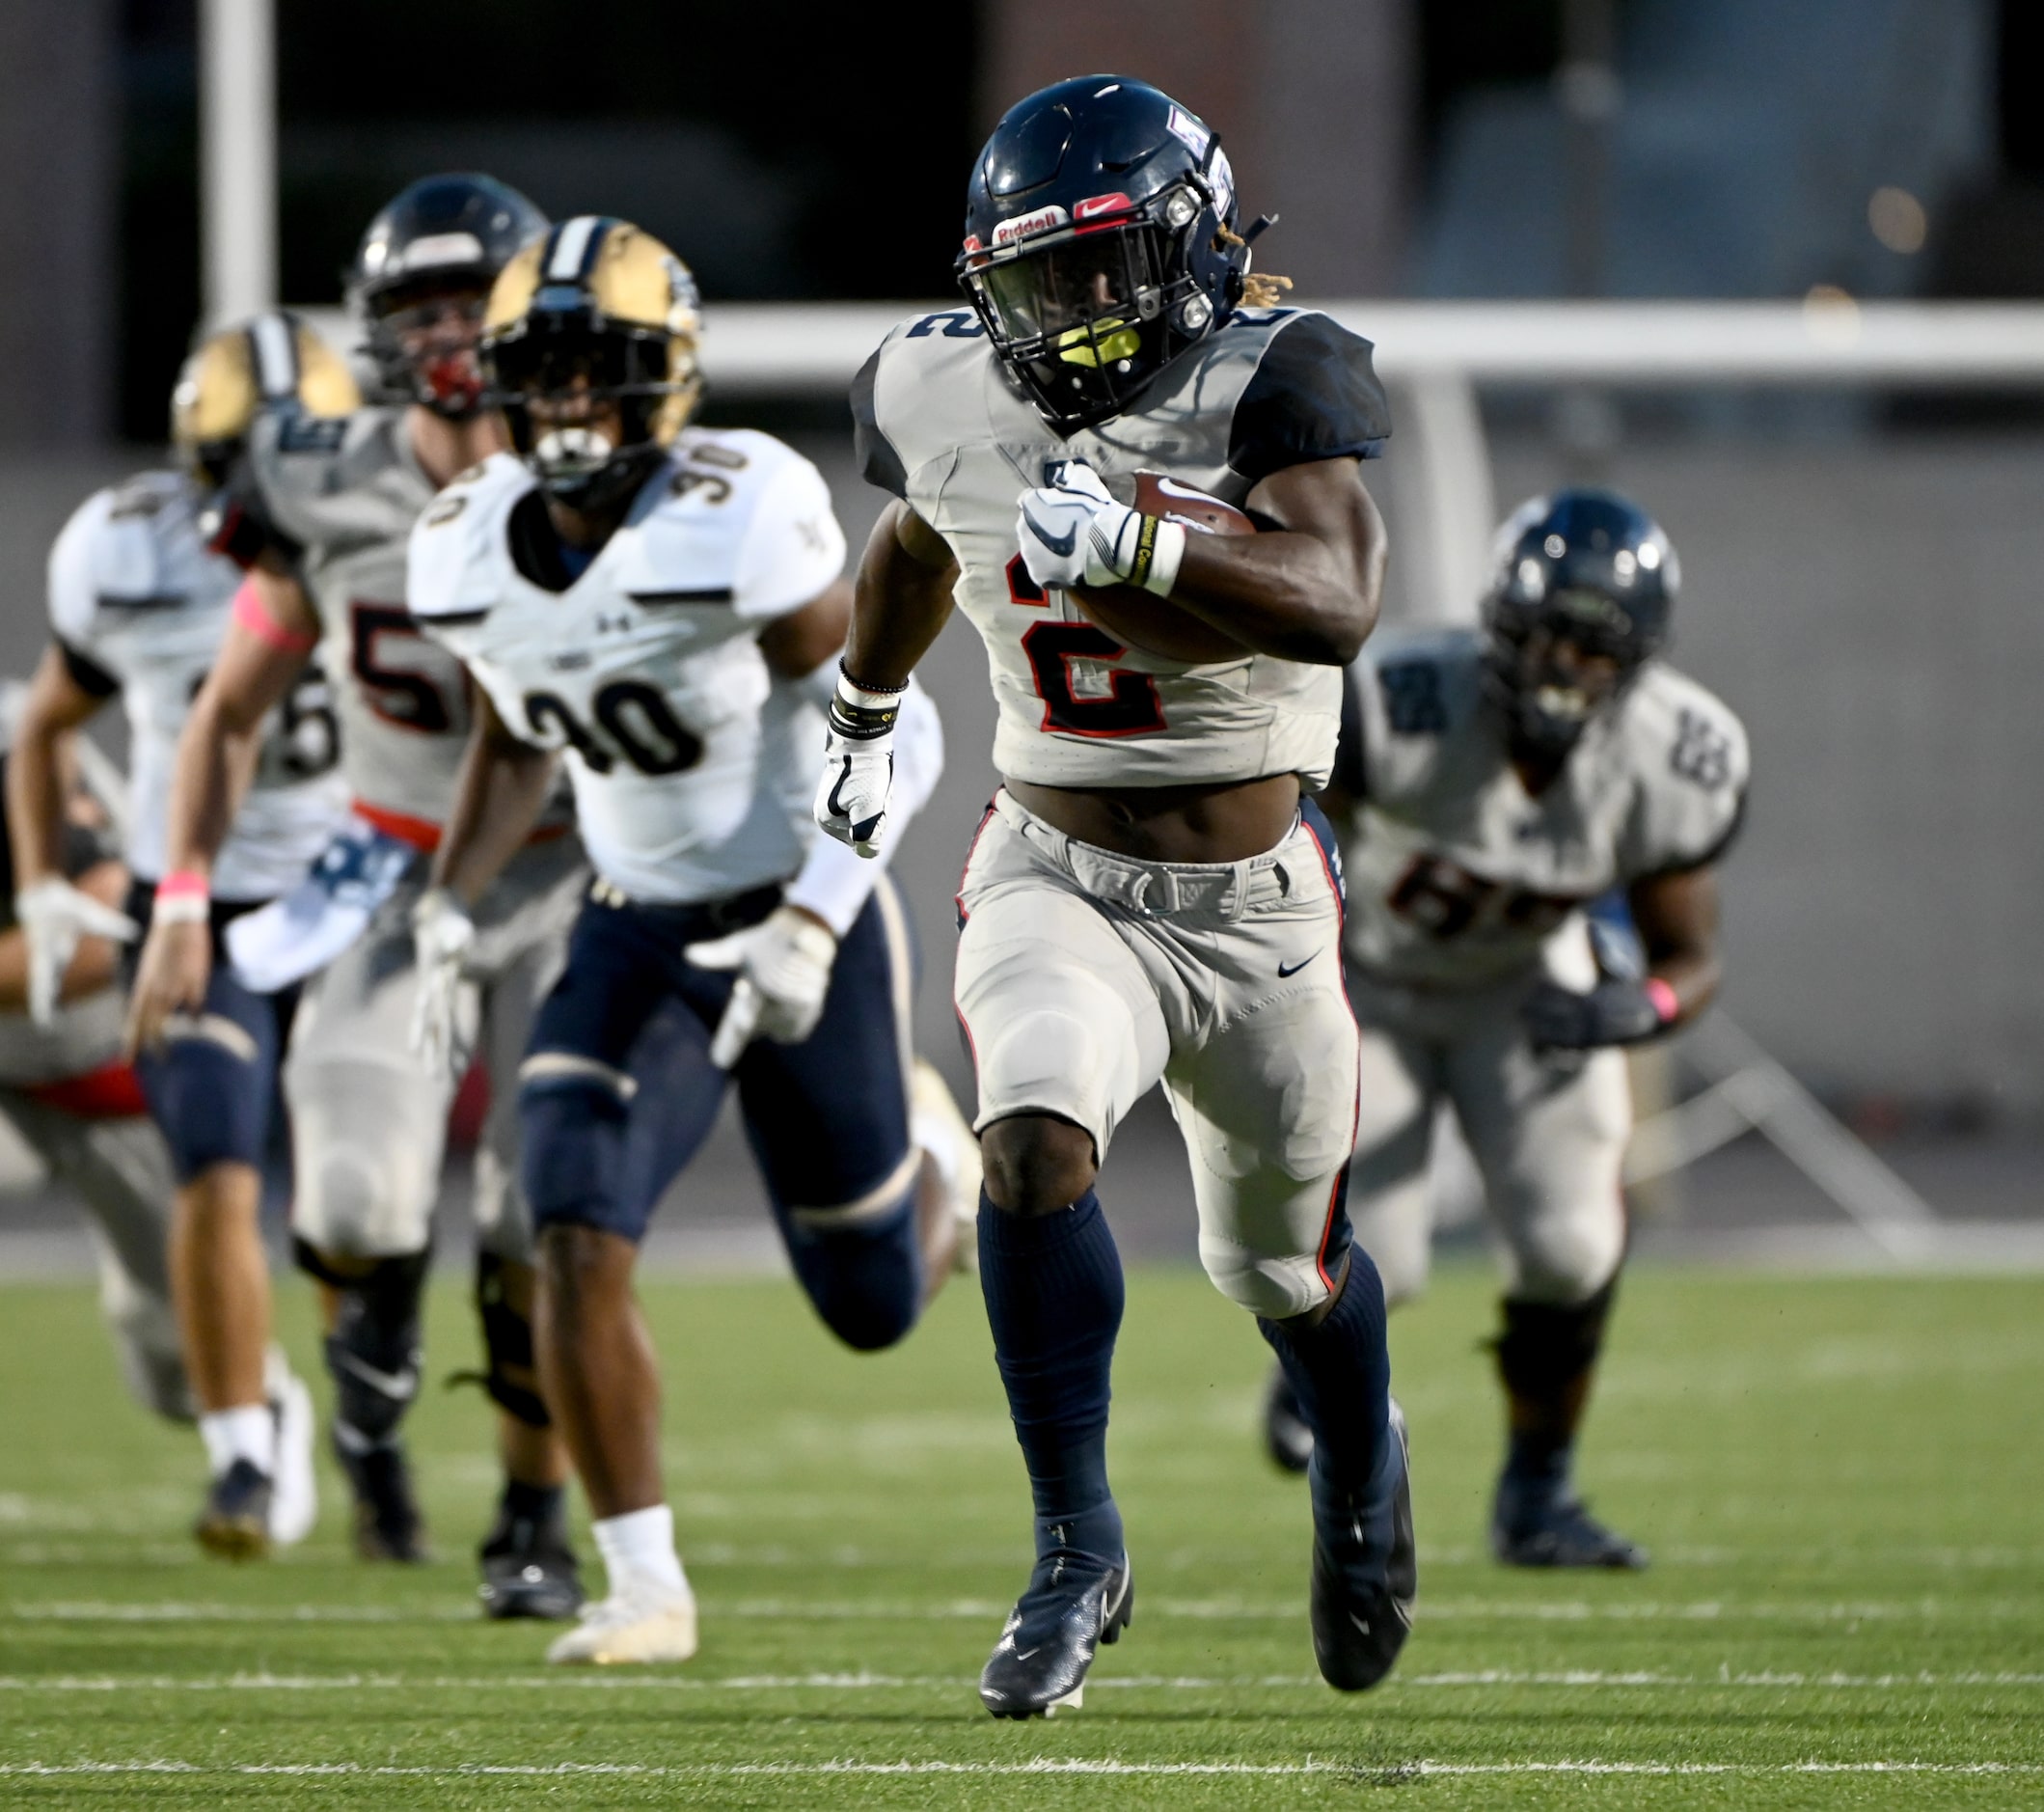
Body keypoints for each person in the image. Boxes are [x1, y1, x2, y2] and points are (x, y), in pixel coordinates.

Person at [819, 75, 1413, 1716]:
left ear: (1186, 249)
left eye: (1099, 271)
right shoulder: (940, 386)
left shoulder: (1271, 377)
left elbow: (1338, 593)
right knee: (1027, 1137)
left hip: (1250, 907)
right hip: (1054, 865)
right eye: (1032, 283)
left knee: (1280, 1271)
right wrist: (864, 713)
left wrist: (1151, 543)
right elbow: (917, 542)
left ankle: (1360, 1459)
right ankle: (1075, 1545)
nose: (1069, 317)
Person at [409, 214, 972, 1664]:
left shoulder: (744, 512)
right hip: (630, 921)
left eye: (603, 371)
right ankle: (642, 1583)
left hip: (801, 903)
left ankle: (942, 1169)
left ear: (665, 380)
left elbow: (897, 736)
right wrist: (444, 902)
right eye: (545, 372)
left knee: (868, 1303)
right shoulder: (463, 545)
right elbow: (511, 738)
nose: (571, 404)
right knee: (570, 1218)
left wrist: (809, 918)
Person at [126, 176, 586, 1616]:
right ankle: (372, 1373)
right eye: (420, 311)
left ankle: (532, 1513)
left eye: (472, 304)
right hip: (389, 867)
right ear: (379, 331)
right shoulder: (322, 477)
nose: (450, 335)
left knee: (541, 1211)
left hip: (575, 864)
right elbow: (226, 710)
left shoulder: (601, 462)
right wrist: (186, 895)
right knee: (355, 1199)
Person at [1263, 489, 1748, 1570]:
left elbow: (1690, 957)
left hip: (1527, 987)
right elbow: (1284, 843)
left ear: (1641, 658)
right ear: (1498, 624)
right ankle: (1306, 1372)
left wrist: (1643, 1006)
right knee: (1376, 1256)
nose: (1566, 669)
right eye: (1548, 639)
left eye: (1596, 649)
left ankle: (1537, 1495)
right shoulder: (1399, 699)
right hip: (1372, 981)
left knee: (1573, 1246)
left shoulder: (1679, 755)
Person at [13, 315, 354, 1555]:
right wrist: (49, 880)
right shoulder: (125, 552)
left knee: (359, 1202)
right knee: (216, 1156)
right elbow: (49, 721)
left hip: (358, 894)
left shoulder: (396, 526)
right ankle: (243, 1455)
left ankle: (364, 1435)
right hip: (192, 903)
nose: (266, 496)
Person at [0, 687, 198, 1435]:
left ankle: (259, 1415)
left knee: (171, 1348)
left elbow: (100, 932)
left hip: (91, 1062)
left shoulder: (20, 742)